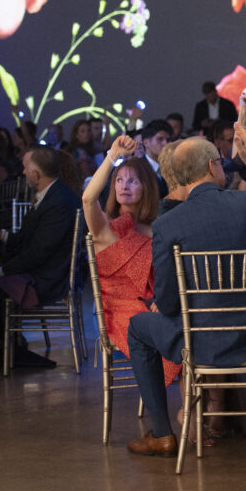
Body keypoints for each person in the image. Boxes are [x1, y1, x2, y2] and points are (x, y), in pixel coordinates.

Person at [125, 128, 246, 456]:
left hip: (201, 341)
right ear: (215, 166)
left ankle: (162, 433)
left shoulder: (167, 225)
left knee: (137, 328)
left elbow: (169, 302)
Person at [82, 135, 182, 389]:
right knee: (181, 334)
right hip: (119, 314)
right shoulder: (106, 228)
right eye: (119, 180)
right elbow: (87, 199)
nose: (124, 186)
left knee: (192, 325)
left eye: (133, 181)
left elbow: (166, 276)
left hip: (153, 308)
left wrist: (162, 299)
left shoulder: (156, 228)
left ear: (146, 187)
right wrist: (111, 157)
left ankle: (192, 412)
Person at [0, 146, 83, 311]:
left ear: (36, 174)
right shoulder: (53, 194)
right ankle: (11, 337)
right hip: (44, 272)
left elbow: (38, 252)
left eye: (26, 168)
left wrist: (1, 271)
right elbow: (27, 239)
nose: (23, 172)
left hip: (48, 280)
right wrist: (0, 234)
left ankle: (2, 337)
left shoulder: (59, 203)